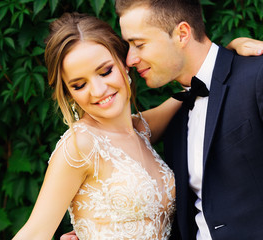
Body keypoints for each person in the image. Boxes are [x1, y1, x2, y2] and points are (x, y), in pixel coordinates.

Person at [12, 12, 184, 240]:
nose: (98, 90)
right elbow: (34, 233)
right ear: (69, 94)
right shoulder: (80, 146)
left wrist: (232, 53)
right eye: (79, 85)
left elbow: (193, 92)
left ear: (125, 63)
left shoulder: (140, 130)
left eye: (105, 71)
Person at [114, 0, 263, 239]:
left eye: (139, 44)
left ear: (182, 33)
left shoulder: (257, 76)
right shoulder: (175, 118)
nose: (130, 59)